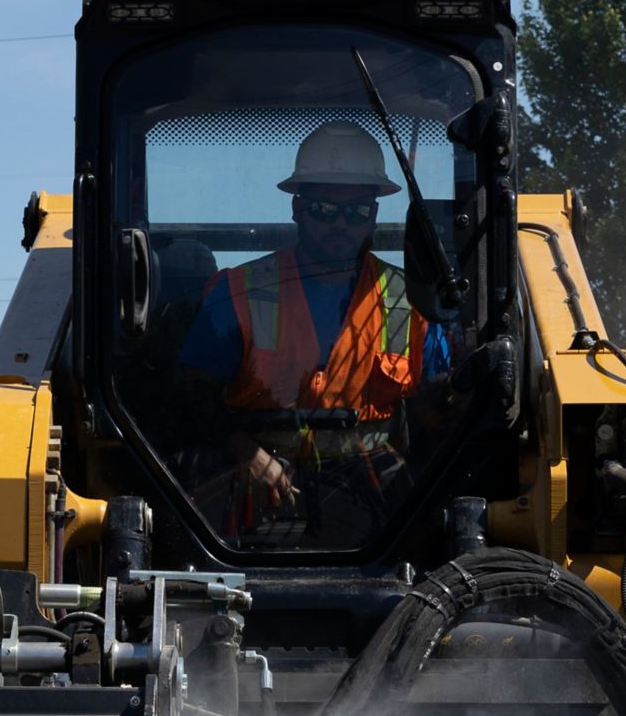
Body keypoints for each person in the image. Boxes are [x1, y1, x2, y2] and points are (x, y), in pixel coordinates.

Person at [177, 121, 452, 513]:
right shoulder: (240, 292)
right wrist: (245, 453)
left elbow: (435, 411)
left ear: (373, 214)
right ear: (297, 209)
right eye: (325, 210)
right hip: (257, 491)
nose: (340, 223)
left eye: (356, 211)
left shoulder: (412, 299)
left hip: (374, 501)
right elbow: (191, 395)